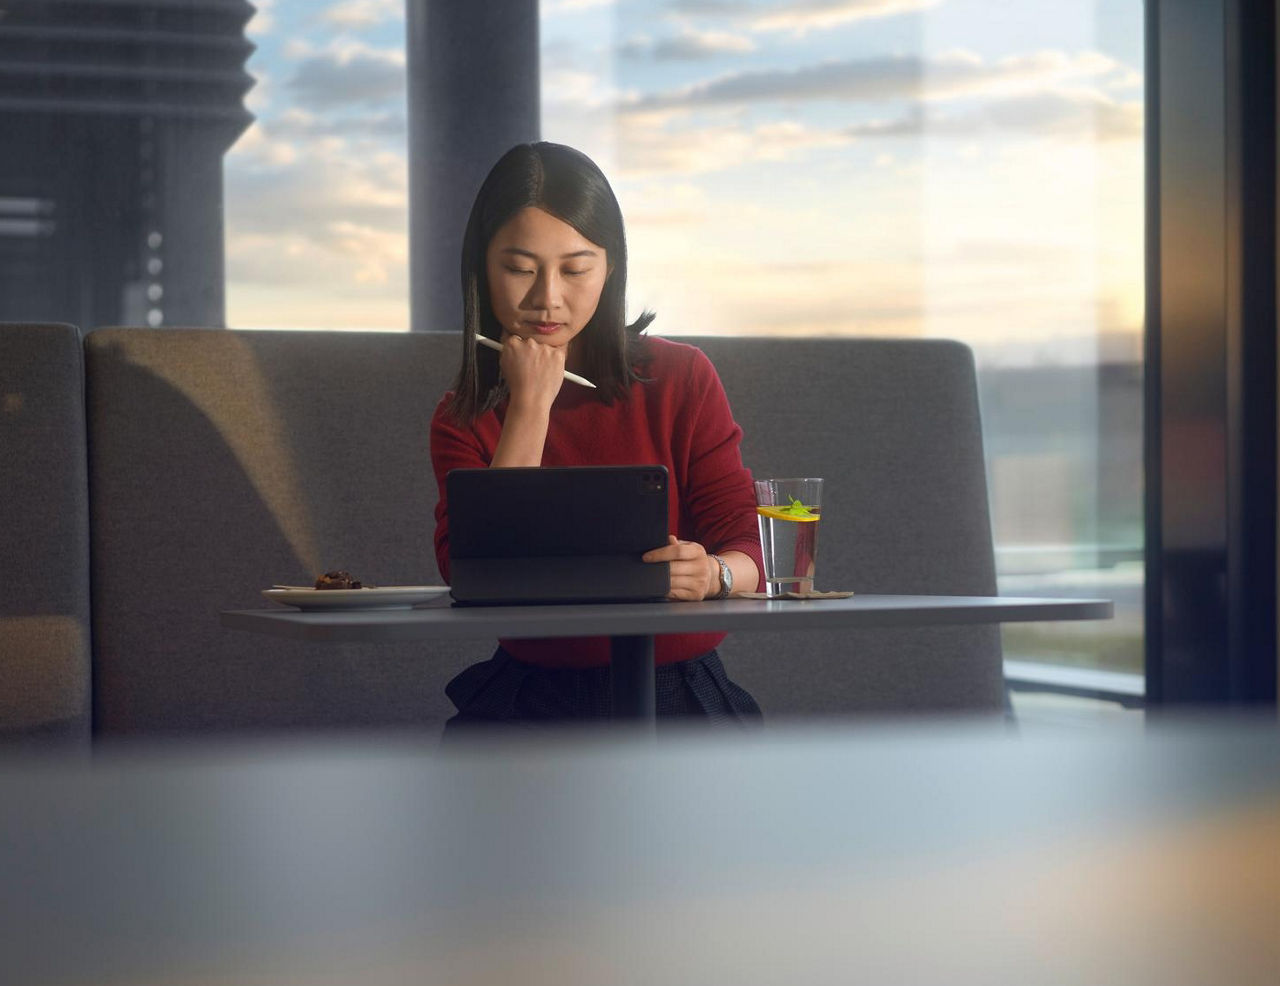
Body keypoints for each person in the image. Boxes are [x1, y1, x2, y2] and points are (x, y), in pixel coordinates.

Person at [430, 141, 764, 731]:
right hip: (529, 697)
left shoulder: (680, 377)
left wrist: (713, 574)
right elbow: (477, 573)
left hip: (680, 694)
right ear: (481, 268)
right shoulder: (464, 415)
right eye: (519, 269)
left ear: (611, 269)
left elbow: (748, 546)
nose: (547, 298)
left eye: (576, 269)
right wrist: (530, 407)